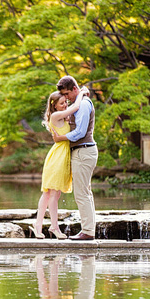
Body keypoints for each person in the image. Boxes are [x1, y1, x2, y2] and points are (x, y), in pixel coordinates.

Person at [29, 86, 88, 239]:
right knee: (52, 194)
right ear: (54, 105)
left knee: (49, 193)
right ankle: (54, 228)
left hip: (61, 154)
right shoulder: (56, 116)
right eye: (62, 103)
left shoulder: (61, 117)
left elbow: (74, 111)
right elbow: (76, 106)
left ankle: (38, 227)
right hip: (58, 156)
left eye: (65, 102)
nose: (65, 105)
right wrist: (81, 93)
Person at [52, 75, 98, 241]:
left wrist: (60, 138)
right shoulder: (78, 102)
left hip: (84, 151)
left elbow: (80, 132)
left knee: (81, 194)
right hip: (82, 152)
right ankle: (88, 230)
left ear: (74, 89)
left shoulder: (84, 104)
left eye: (67, 94)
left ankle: (87, 232)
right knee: (85, 192)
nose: (66, 98)